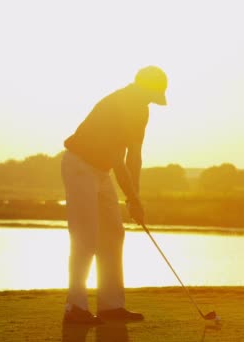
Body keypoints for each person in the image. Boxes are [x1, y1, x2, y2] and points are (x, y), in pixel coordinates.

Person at [61, 66, 168, 325]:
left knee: (113, 234)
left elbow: (130, 157)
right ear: (144, 88)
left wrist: (135, 198)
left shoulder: (140, 110)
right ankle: (75, 308)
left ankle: (111, 306)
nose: (153, 101)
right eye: (153, 95)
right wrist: (132, 198)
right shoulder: (119, 103)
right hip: (79, 164)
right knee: (85, 236)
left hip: (101, 170)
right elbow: (123, 159)